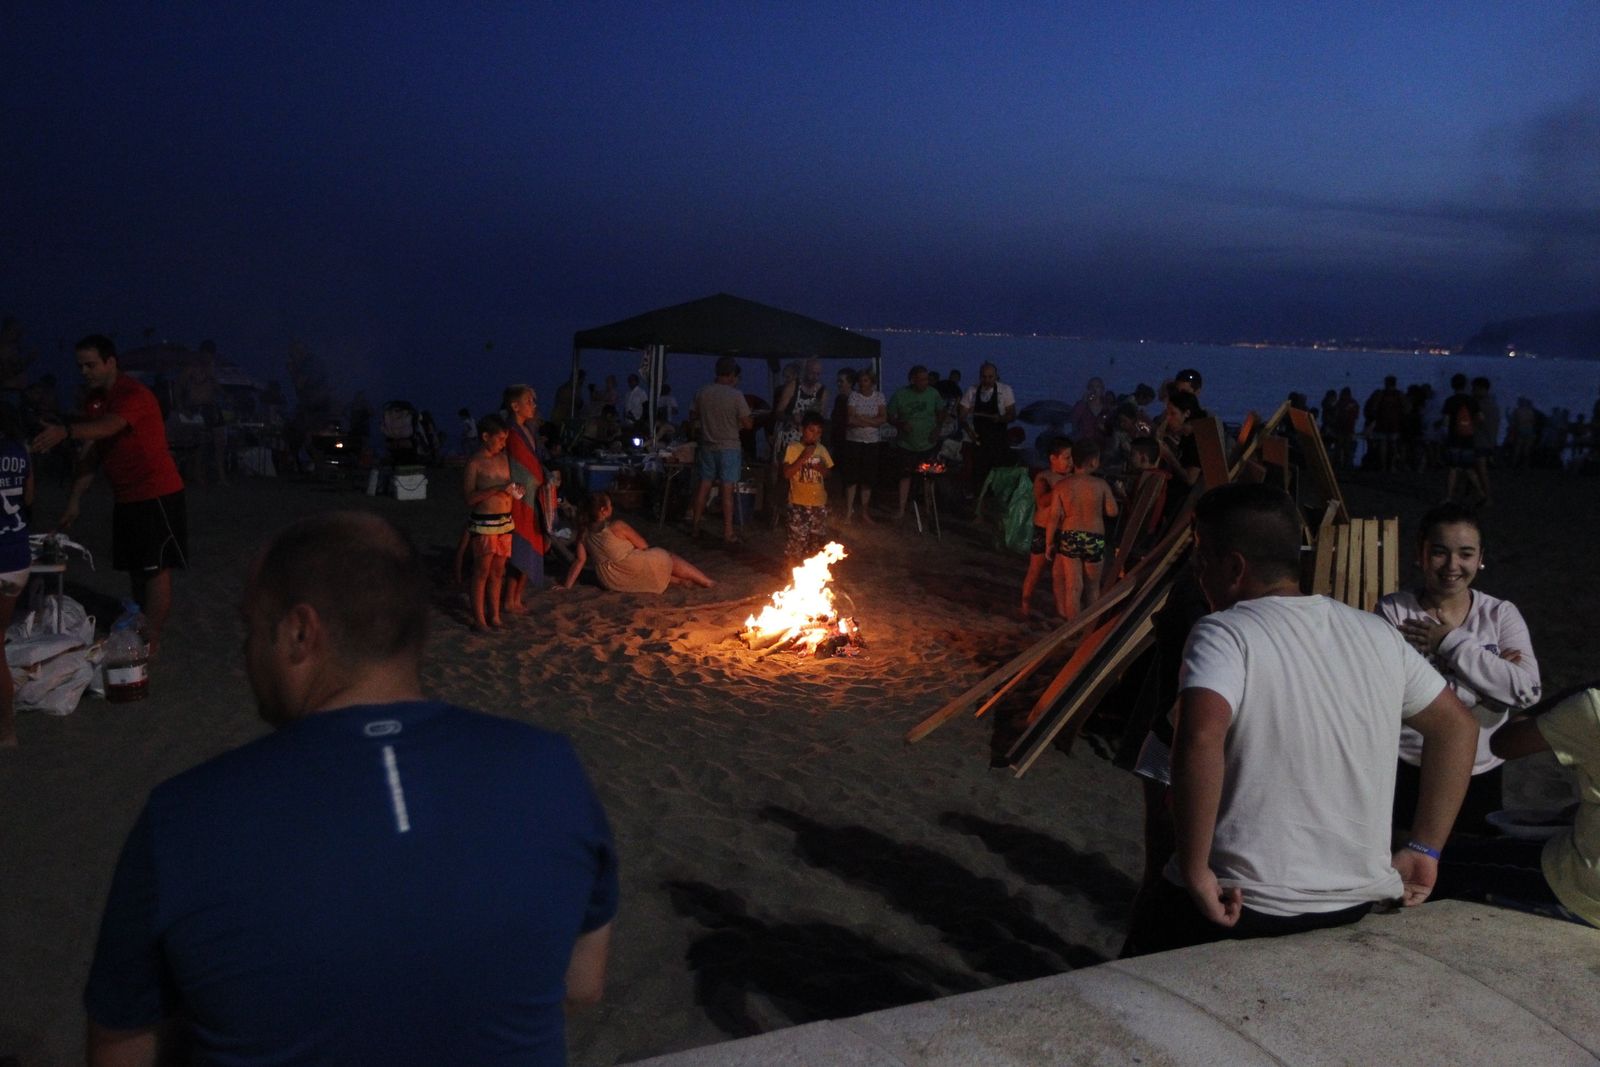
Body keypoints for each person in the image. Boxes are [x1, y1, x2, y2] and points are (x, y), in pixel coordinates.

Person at [83, 512, 618, 1065]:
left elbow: (120, 1046)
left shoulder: (184, 818)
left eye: (251, 627)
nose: (247, 652)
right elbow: (581, 986)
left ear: (299, 632)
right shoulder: (551, 770)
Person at [1121, 483, 1477, 957]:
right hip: (1355, 901)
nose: (1196, 572)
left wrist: (1195, 869)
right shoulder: (1377, 633)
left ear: (1233, 566)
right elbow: (1458, 728)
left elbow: (1200, 736)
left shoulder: (1225, 632)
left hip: (1246, 900)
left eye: (1200, 559)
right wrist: (1425, 849)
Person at [1378, 502, 1540, 836]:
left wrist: (1450, 643)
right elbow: (1392, 696)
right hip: (1408, 768)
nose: (1453, 565)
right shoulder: (1393, 612)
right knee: (1407, 879)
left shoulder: (1500, 614)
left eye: (1465, 553)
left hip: (1481, 772)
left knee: (1474, 876)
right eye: (1440, 552)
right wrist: (1489, 688)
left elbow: (1526, 691)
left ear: (1480, 557)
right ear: (1420, 554)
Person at [30, 335, 186, 655]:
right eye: (80, 366)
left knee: (155, 569)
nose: (85, 372)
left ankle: (151, 639)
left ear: (111, 362)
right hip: (126, 496)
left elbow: (109, 427)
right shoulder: (96, 400)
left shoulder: (133, 394)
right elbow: (92, 450)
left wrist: (67, 431)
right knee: (136, 568)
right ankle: (140, 626)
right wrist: (74, 499)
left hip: (155, 492)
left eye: (91, 364)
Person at [1431, 684, 1599, 929]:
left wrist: (1577, 693)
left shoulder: (1593, 706)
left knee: (1441, 864)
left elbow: (1504, 743)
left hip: (1586, 889)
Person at [561, 492, 713, 592]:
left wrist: (566, 586)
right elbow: (644, 546)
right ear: (603, 510)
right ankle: (707, 581)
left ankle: (679, 581)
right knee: (666, 556)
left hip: (611, 580)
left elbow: (579, 561)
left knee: (641, 565)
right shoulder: (617, 526)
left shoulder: (584, 533)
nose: (612, 507)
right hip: (630, 568)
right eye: (610, 505)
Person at [1044, 438, 1118, 621]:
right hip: (1094, 537)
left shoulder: (1062, 486)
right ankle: (1090, 627)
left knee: (1073, 586)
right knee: (1093, 587)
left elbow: (1054, 517)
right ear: (1093, 461)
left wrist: (1048, 542)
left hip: (1070, 536)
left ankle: (1072, 628)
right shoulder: (1101, 485)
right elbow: (1112, 512)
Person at [690, 357, 753, 544]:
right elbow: (748, 424)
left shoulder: (703, 392)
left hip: (708, 445)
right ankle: (727, 532)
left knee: (704, 486)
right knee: (727, 491)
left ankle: (695, 526)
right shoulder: (735, 395)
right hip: (729, 448)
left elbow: (693, 416)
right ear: (732, 374)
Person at [463, 413, 517, 631]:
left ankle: (494, 615)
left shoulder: (504, 459)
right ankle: (479, 618)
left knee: (498, 571)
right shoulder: (475, 463)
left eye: (505, 440)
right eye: (500, 439)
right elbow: (469, 498)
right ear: (486, 436)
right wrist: (496, 489)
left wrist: (515, 490)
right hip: (485, 523)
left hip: (505, 522)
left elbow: (510, 487)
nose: (503, 444)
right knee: (482, 570)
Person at [501, 384, 549, 612]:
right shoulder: (509, 431)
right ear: (515, 405)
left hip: (534, 497)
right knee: (521, 548)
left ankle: (517, 597)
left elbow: (534, 462)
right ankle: (510, 599)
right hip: (521, 499)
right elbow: (512, 467)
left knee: (533, 545)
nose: (534, 405)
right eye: (529, 401)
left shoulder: (527, 430)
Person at [0, 407, 31, 748]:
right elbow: (29, 497)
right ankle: (6, 729)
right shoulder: (18, 451)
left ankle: (6, 730)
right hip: (17, 557)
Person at [1020, 438, 1071, 619]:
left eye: (1072, 458)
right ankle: (1025, 604)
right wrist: (1060, 488)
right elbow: (1041, 502)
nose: (1070, 462)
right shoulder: (1044, 477)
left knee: (1059, 574)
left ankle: (1061, 611)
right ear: (1053, 458)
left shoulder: (1071, 479)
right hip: (1043, 529)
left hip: (1062, 530)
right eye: (1066, 458)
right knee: (1036, 569)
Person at [886, 364, 942, 522]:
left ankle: (929, 509)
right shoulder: (901, 395)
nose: (925, 382)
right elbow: (889, 416)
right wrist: (900, 424)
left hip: (927, 444)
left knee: (928, 477)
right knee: (905, 476)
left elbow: (941, 411)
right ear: (913, 380)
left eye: (926, 379)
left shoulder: (933, 394)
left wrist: (938, 429)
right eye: (921, 380)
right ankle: (902, 509)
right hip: (907, 444)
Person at [780, 412, 833, 562]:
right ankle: (792, 572)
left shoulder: (822, 450)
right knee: (797, 540)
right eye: (811, 430)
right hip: (798, 503)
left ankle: (814, 572)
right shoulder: (793, 448)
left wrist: (821, 468)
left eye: (818, 432)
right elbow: (787, 473)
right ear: (802, 429)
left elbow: (829, 474)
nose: (814, 435)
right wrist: (803, 457)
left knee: (816, 540)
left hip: (819, 503)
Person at [960, 362, 1016, 492]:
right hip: (979, 440)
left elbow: (1012, 415)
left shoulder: (1005, 391)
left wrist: (1000, 418)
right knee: (979, 474)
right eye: (984, 377)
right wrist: (970, 433)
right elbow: (962, 417)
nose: (987, 380)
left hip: (999, 440)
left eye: (990, 377)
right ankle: (979, 501)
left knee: (998, 474)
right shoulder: (972, 391)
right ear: (980, 377)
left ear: (996, 376)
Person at [841, 368, 886, 523]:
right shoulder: (854, 396)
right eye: (860, 380)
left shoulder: (879, 396)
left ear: (871, 382)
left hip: (871, 442)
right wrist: (871, 421)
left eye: (865, 380)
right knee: (851, 477)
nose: (862, 383)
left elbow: (882, 419)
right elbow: (851, 419)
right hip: (854, 441)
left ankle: (864, 511)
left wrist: (862, 418)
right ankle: (848, 511)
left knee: (868, 478)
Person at [1442, 373, 1483, 502]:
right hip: (1468, 437)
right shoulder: (1472, 401)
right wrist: (1472, 427)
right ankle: (1481, 493)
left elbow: (1446, 421)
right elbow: (1481, 417)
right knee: (1468, 467)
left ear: (1452, 385)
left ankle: (1449, 497)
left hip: (1454, 438)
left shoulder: (1450, 401)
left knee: (1453, 468)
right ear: (1465, 385)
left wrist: (1444, 435)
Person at [1471, 376, 1499, 505]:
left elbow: (1478, 422)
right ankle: (1481, 494)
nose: (1473, 391)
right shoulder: (1493, 404)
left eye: (1475, 389)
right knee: (1476, 469)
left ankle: (1487, 496)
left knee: (1481, 470)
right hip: (1489, 440)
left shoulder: (1482, 405)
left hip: (1481, 440)